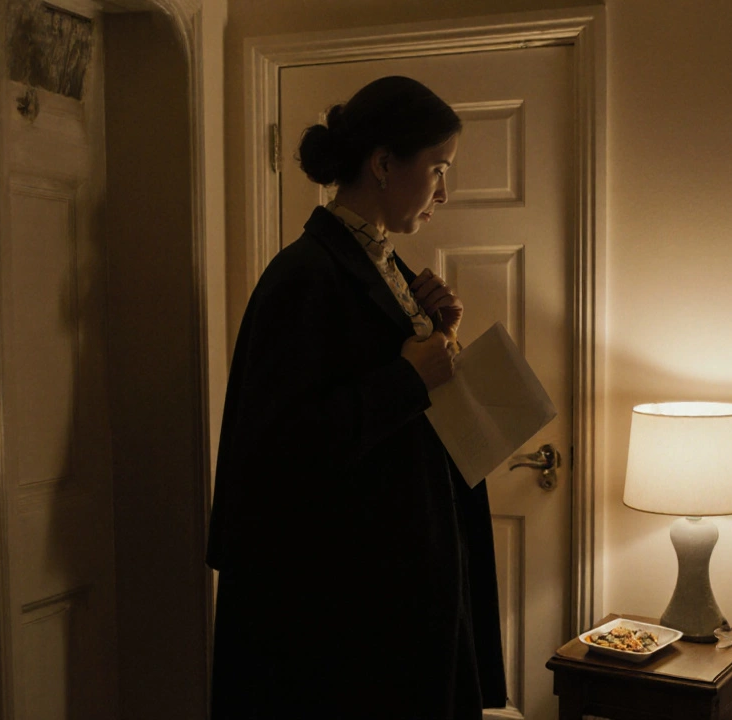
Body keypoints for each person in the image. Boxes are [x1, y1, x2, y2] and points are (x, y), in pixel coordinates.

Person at [206, 76, 507, 719]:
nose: (443, 192)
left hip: (395, 577)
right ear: (384, 163)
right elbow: (279, 448)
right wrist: (408, 377)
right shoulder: (304, 275)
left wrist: (442, 336)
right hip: (346, 601)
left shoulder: (383, 266)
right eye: (438, 169)